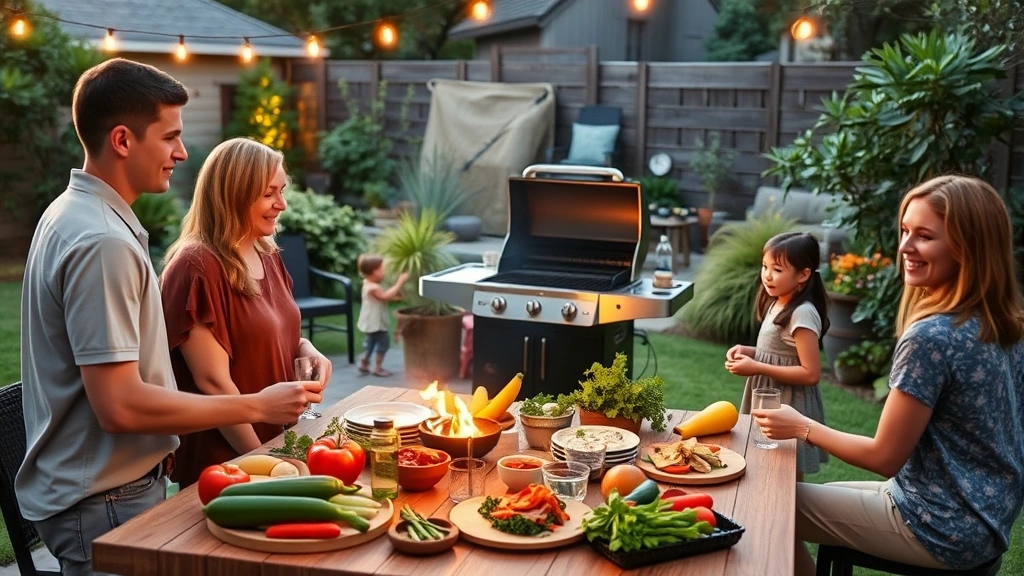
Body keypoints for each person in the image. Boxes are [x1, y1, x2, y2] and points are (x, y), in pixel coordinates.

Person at [18, 58, 321, 576]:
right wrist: (255, 405)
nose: (182, 152)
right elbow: (120, 407)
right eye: (170, 137)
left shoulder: (74, 215)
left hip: (106, 493)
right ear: (122, 140)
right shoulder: (101, 243)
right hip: (106, 501)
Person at [753, 175, 1024, 574]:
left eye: (925, 236)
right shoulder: (1007, 322)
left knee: (765, 500)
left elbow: (884, 457)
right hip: (982, 517)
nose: (905, 248)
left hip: (938, 525)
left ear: (968, 247)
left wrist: (801, 426)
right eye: (904, 231)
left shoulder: (932, 337)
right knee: (792, 494)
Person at [160, 138, 333, 488]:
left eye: (282, 191)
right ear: (235, 194)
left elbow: (268, 332)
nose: (281, 204)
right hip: (229, 465)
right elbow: (213, 384)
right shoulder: (196, 266)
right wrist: (267, 465)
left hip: (281, 448)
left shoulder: (265, 252)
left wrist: (305, 348)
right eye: (269, 193)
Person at [725, 232, 831, 476]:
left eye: (777, 270)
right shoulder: (779, 301)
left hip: (788, 403)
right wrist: (749, 352)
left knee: (785, 470)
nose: (767, 275)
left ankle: (792, 514)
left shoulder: (802, 314)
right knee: (765, 464)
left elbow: (810, 373)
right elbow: (779, 352)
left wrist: (757, 367)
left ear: (803, 275)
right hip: (768, 395)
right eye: (765, 267)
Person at [356, 254, 408, 376]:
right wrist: (399, 282)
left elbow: (385, 296)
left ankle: (364, 361)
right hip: (375, 322)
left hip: (370, 321)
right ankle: (377, 368)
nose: (384, 272)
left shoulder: (367, 283)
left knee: (370, 342)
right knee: (383, 343)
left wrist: (399, 296)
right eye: (382, 269)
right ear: (374, 272)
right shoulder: (372, 287)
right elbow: (384, 297)